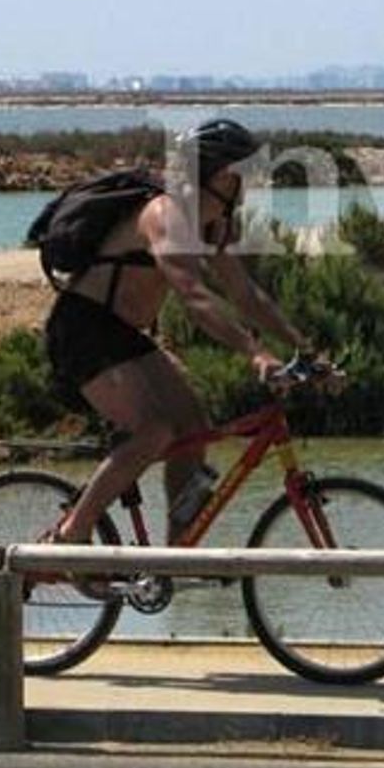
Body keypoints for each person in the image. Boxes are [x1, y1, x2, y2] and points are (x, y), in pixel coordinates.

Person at [44, 118, 312, 548]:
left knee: (192, 429)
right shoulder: (164, 216)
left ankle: (176, 553)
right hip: (83, 329)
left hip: (124, 335)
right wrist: (255, 352)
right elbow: (195, 296)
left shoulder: (214, 224)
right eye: (244, 176)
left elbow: (246, 295)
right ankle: (74, 531)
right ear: (221, 175)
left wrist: (307, 349)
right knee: (154, 430)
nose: (250, 187)